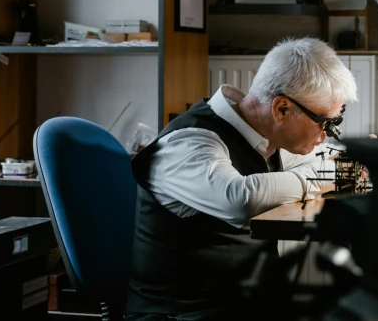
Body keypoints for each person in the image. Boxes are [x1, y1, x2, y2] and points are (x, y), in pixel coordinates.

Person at [124, 37, 358, 321]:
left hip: (244, 303)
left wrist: (366, 161)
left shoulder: (262, 137)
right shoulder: (188, 143)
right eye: (326, 123)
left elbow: (321, 159)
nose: (327, 134)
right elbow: (240, 199)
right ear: (281, 109)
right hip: (184, 315)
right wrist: (336, 173)